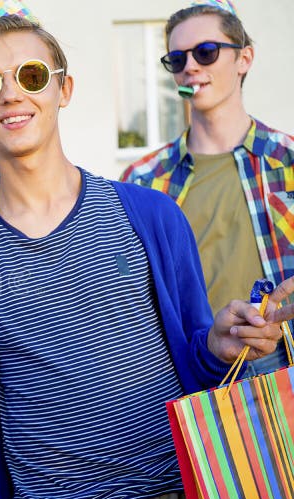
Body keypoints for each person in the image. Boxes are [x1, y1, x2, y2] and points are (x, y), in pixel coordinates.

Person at [0, 10, 294, 499]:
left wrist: (219, 343)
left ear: (63, 89)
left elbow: (194, 355)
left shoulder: (149, 214)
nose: (10, 94)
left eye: (30, 75)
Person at [120, 0, 294, 378]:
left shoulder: (289, 159)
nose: (191, 68)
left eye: (206, 52)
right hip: (194, 371)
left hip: (283, 363)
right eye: (177, 59)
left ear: (244, 58)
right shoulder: (143, 180)